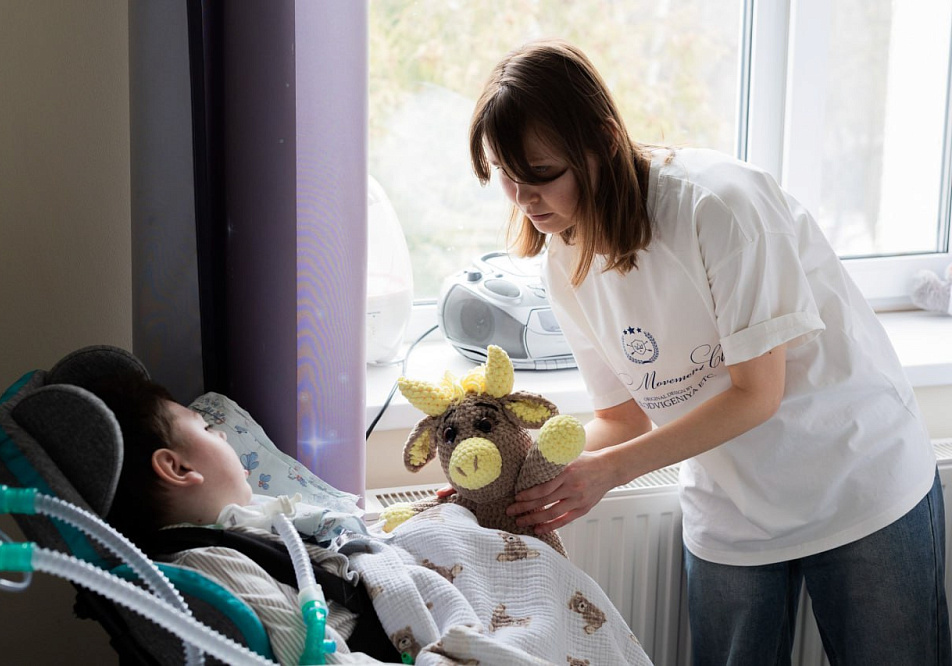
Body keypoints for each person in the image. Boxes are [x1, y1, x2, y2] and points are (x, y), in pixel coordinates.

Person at [468, 38, 950, 665]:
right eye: (504, 176)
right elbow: (622, 417)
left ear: (603, 142)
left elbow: (757, 395)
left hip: (856, 479)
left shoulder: (719, 205)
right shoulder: (565, 262)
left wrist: (609, 473)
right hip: (731, 508)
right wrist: (517, 471)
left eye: (542, 174)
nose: (524, 199)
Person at [89, 375, 380, 664]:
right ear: (178, 468)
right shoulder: (213, 564)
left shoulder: (227, 532)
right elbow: (317, 657)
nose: (223, 434)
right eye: (206, 427)